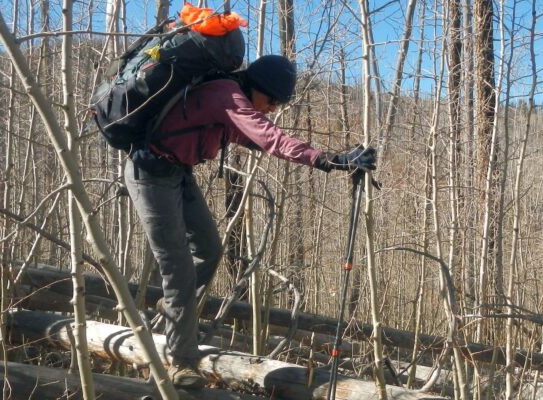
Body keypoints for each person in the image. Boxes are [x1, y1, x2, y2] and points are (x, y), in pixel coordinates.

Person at [124, 55, 376, 389]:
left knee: (210, 251)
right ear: (256, 87)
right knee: (179, 269)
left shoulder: (229, 99)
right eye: (271, 100)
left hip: (177, 173)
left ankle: (174, 307)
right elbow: (268, 136)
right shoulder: (226, 95)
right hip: (150, 175)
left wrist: (335, 153)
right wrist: (326, 160)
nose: (272, 108)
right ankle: (181, 361)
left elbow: (251, 136)